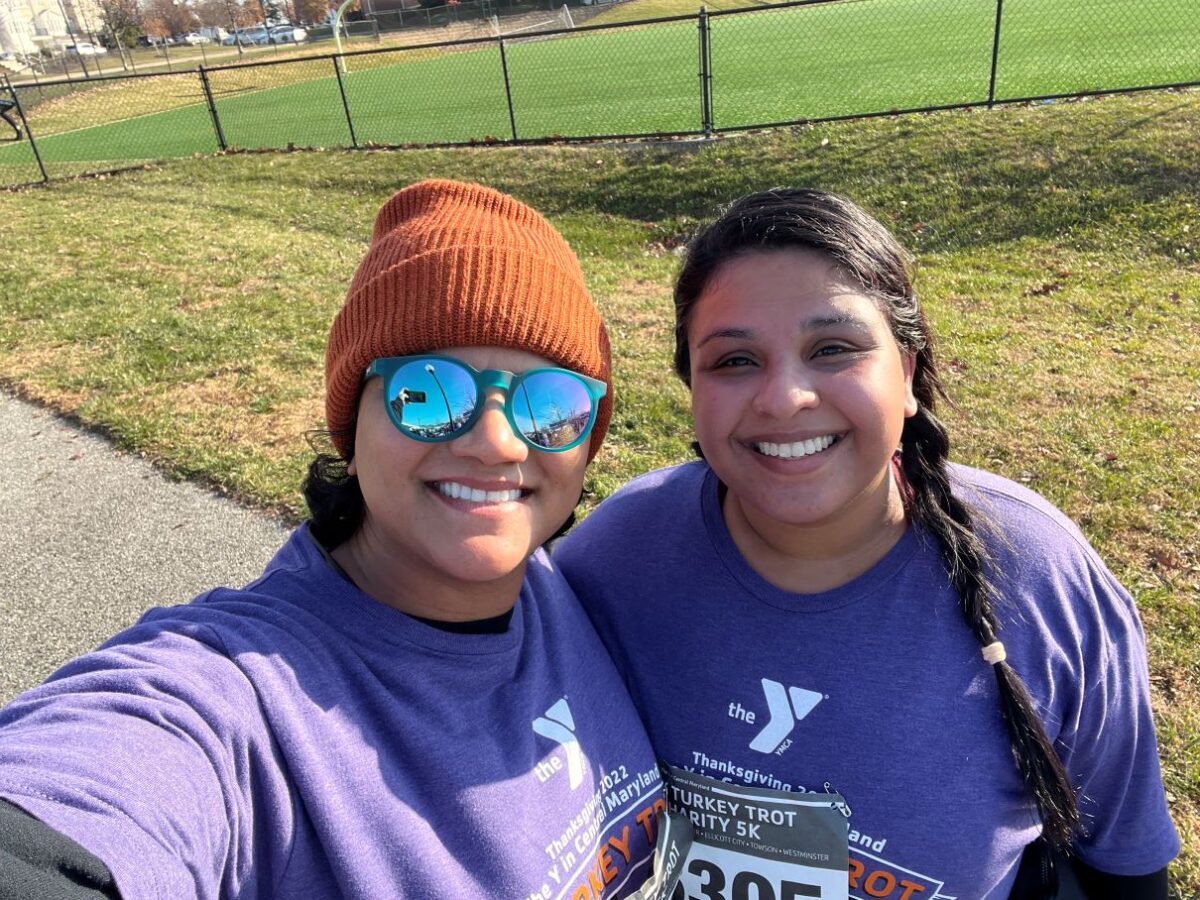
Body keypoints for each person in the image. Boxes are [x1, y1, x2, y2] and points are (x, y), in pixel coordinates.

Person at [0, 179, 665, 899]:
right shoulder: (241, 702)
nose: (498, 443)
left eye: (551, 403)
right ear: (353, 429)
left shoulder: (563, 585)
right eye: (431, 392)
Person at [555, 188, 1179, 898]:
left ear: (907, 373)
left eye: (833, 349)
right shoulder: (614, 562)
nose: (784, 398)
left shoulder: (1041, 579)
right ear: (691, 387)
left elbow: (1126, 869)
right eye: (734, 361)